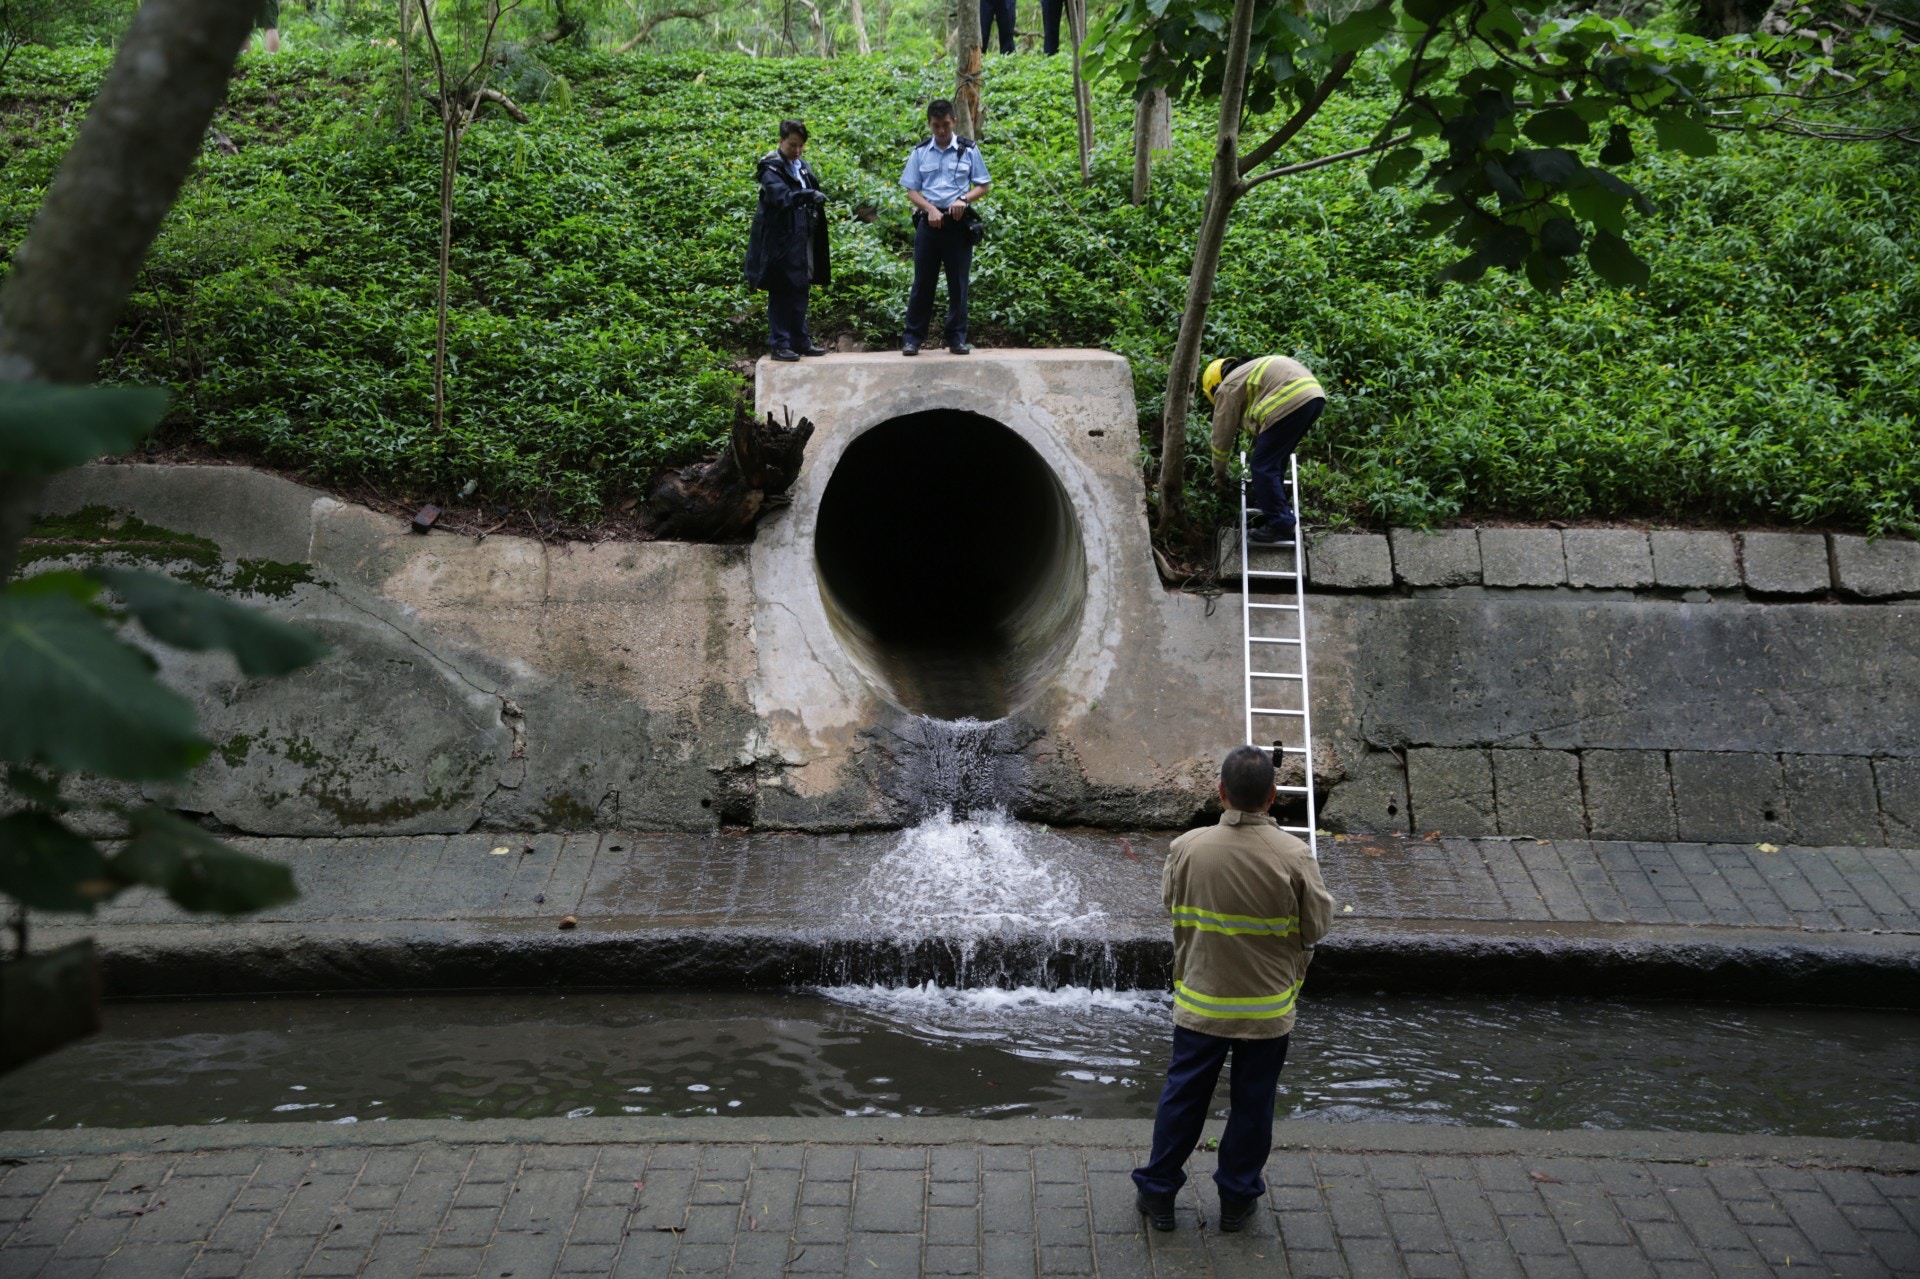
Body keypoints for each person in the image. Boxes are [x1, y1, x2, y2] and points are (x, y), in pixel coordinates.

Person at [1133, 745, 1334, 1234]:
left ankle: (1158, 1193)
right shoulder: (1293, 855)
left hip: (1201, 1003)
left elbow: (1170, 904)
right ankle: (1236, 1200)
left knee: (1183, 1098)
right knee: (1253, 1104)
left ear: (1221, 792)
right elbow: (1317, 926)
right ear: (1272, 796)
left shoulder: (1187, 848)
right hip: (1266, 1011)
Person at [900, 99, 991, 357]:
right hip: (929, 225)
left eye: (946, 125)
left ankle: (957, 338)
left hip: (958, 226)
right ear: (929, 124)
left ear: (955, 121)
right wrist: (929, 208)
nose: (941, 130)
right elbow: (911, 190)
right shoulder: (920, 152)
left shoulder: (968, 150)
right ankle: (913, 339)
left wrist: (964, 199)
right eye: (936, 125)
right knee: (922, 283)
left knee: (958, 284)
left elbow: (983, 185)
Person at [1204, 355, 1326, 543]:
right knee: (1275, 461)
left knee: (1262, 466)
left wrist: (1220, 473)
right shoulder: (1248, 372)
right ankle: (1267, 510)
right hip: (1314, 398)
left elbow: (1221, 436)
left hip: (1290, 400)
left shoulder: (1227, 388)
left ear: (1214, 386)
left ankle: (1281, 523)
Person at [744, 119, 831, 362]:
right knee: (781, 288)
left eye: (801, 146)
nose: (797, 150)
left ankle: (800, 340)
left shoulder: (801, 166)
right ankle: (780, 343)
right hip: (779, 238)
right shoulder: (770, 169)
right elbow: (781, 197)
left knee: (800, 287)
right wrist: (808, 195)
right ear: (781, 141)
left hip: (801, 234)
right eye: (792, 145)